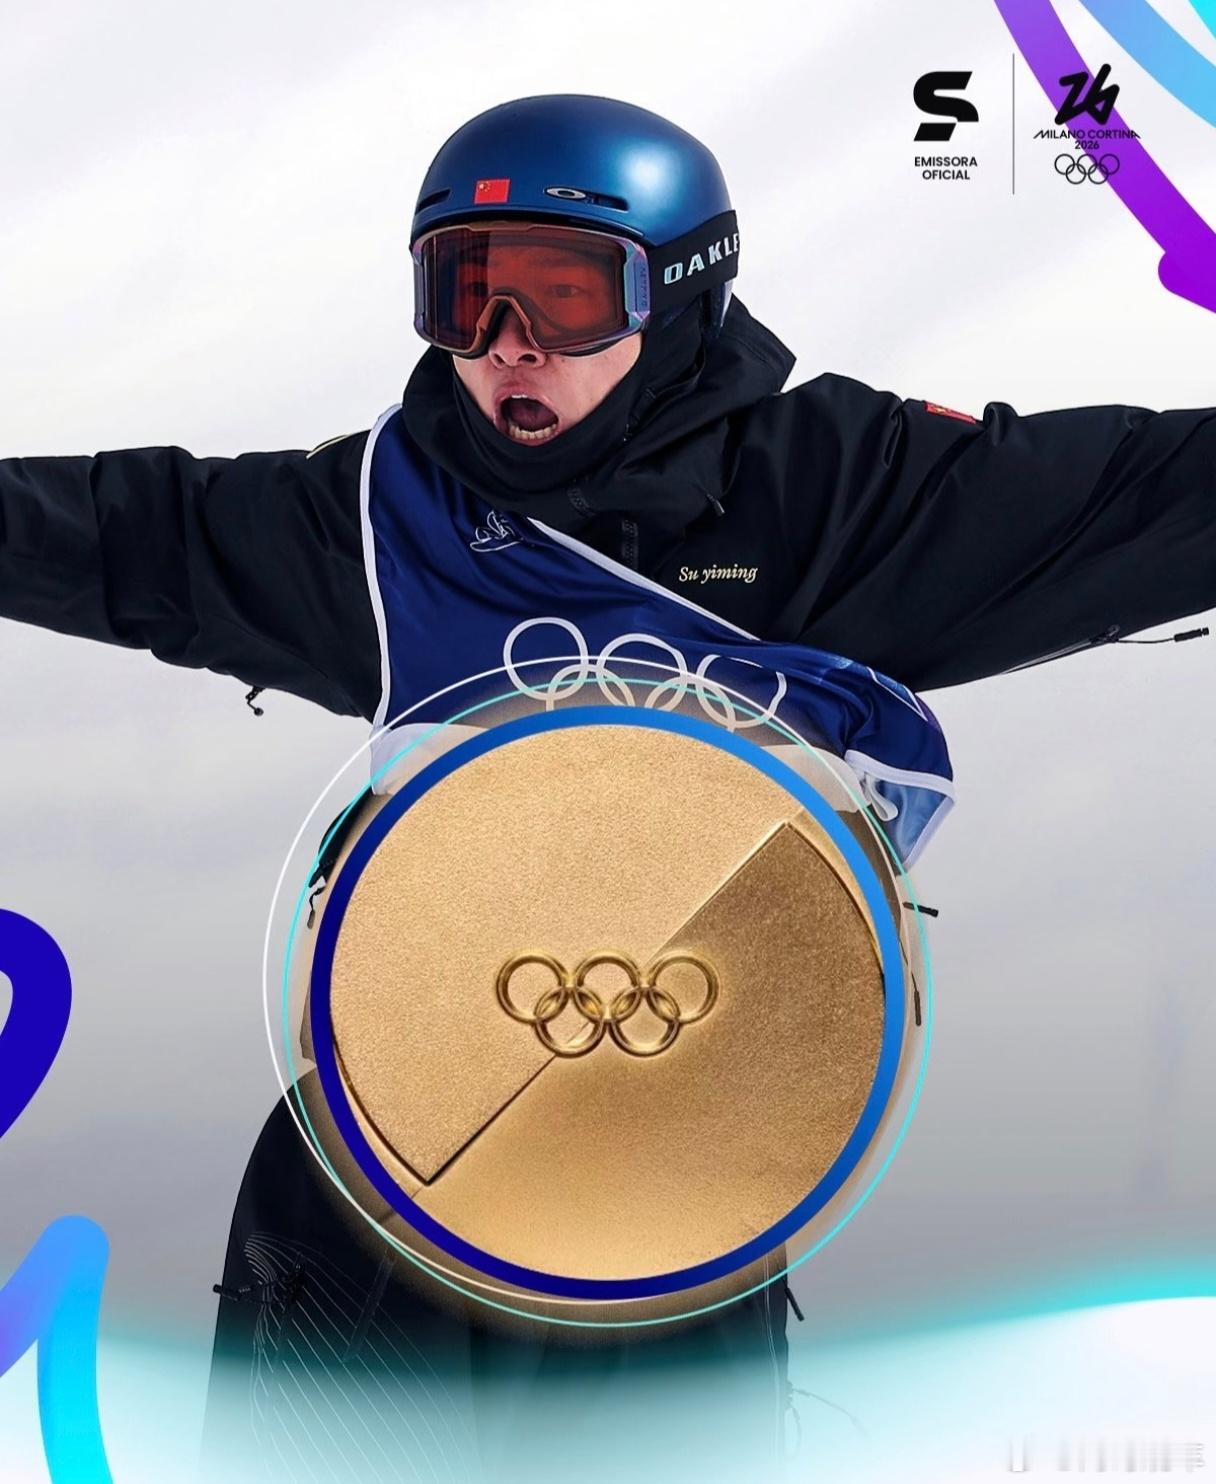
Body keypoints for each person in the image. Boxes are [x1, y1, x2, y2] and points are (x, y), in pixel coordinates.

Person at [2, 92, 1214, 1482]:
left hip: (674, 1186)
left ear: (681, 293)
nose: (507, 345)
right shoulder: (383, 521)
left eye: (565, 296)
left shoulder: (833, 493)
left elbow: (1154, 495)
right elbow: (120, 534)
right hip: (384, 1162)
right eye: (467, 294)